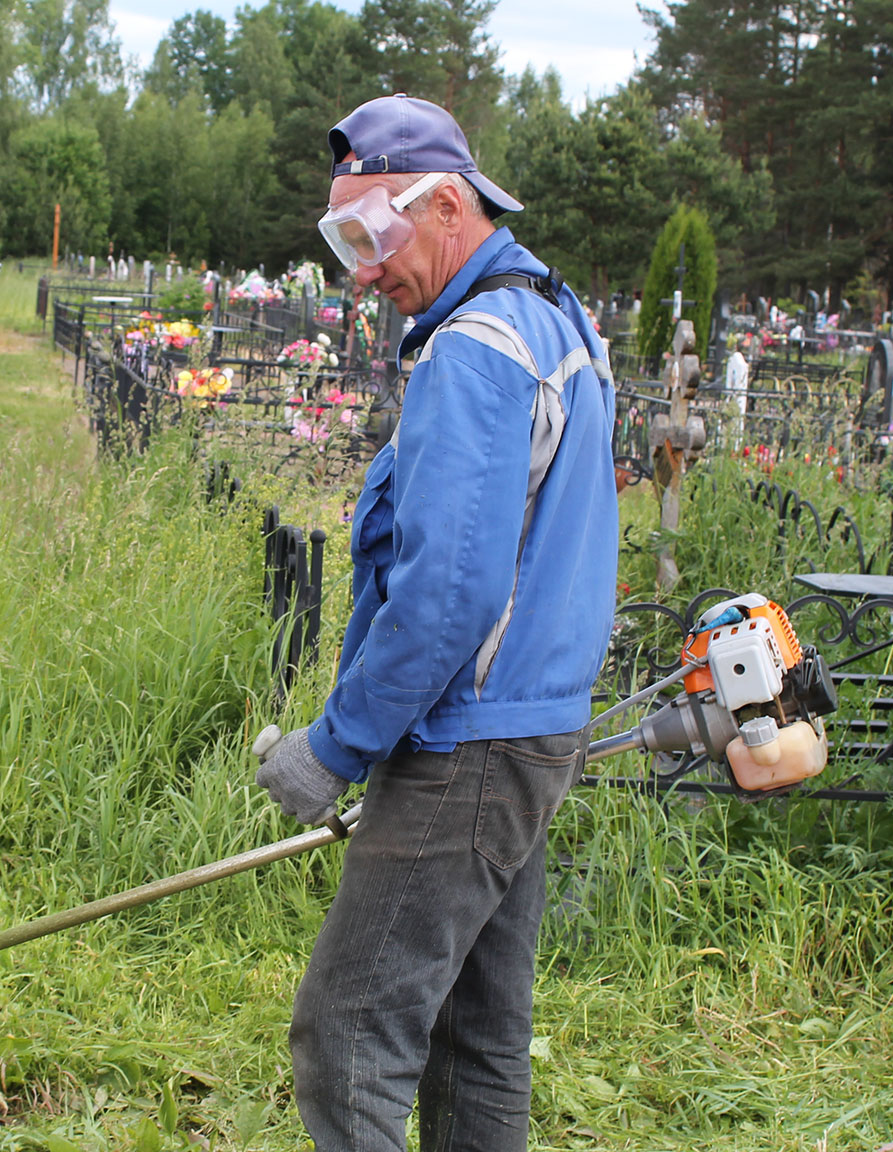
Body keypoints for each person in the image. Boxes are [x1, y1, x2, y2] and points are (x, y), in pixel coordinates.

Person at [252, 94, 619, 1151]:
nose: (363, 273)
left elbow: (448, 596)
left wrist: (336, 746)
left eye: (373, 237)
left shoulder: (476, 347)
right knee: (478, 1034)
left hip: (466, 745)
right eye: (345, 244)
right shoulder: (552, 316)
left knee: (350, 1034)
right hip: (532, 730)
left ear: (448, 205)